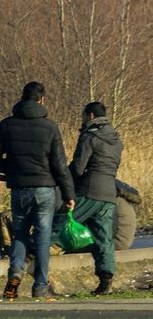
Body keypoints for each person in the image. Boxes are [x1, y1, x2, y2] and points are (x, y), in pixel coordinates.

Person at [0, 81, 75, 299]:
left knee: (20, 234)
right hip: (45, 189)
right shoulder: (50, 128)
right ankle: (40, 286)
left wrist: (13, 168)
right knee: (43, 238)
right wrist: (69, 194)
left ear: (22, 98)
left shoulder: (6, 125)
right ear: (42, 99)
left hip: (20, 189)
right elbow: (60, 165)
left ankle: (15, 274)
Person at [50, 102, 123, 295]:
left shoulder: (89, 136)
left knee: (59, 223)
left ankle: (29, 259)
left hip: (90, 190)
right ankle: (106, 281)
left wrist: (63, 179)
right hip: (109, 193)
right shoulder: (116, 138)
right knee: (103, 238)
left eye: (83, 116)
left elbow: (78, 168)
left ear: (90, 116)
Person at [0, 179, 140, 258]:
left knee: (7, 218)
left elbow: (68, 221)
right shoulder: (115, 196)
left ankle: (12, 258)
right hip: (117, 242)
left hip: (105, 243)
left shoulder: (98, 197)